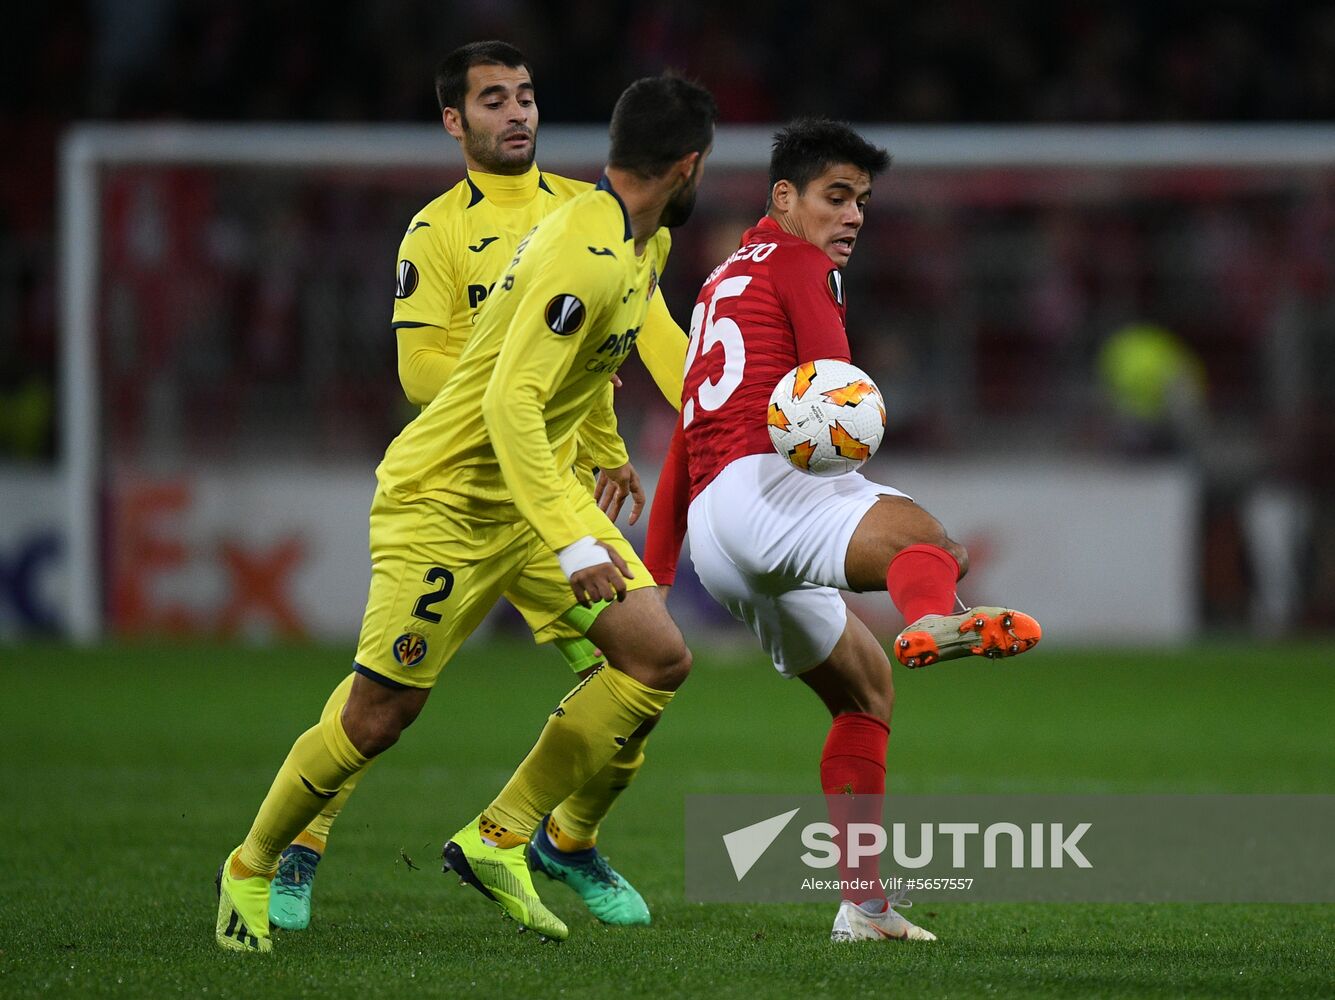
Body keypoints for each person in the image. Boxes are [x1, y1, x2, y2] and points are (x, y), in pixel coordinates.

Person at [215, 73, 717, 952]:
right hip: (447, 499)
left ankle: (504, 837)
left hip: (536, 492)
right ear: (689, 165)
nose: (516, 110)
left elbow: (613, 353)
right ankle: (255, 864)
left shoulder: (639, 243)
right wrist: (570, 544)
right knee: (378, 716)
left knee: (655, 658)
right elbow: (509, 407)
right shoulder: (578, 252)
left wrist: (660, 438)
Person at [643, 118, 1041, 944]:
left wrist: (658, 569)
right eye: (835, 197)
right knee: (928, 542)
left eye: (861, 200)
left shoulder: (717, 279)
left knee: (865, 694)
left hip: (721, 538)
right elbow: (832, 393)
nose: (853, 215)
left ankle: (863, 907)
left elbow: (685, 432)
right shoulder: (800, 264)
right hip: (769, 489)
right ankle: (932, 610)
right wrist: (859, 460)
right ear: (783, 198)